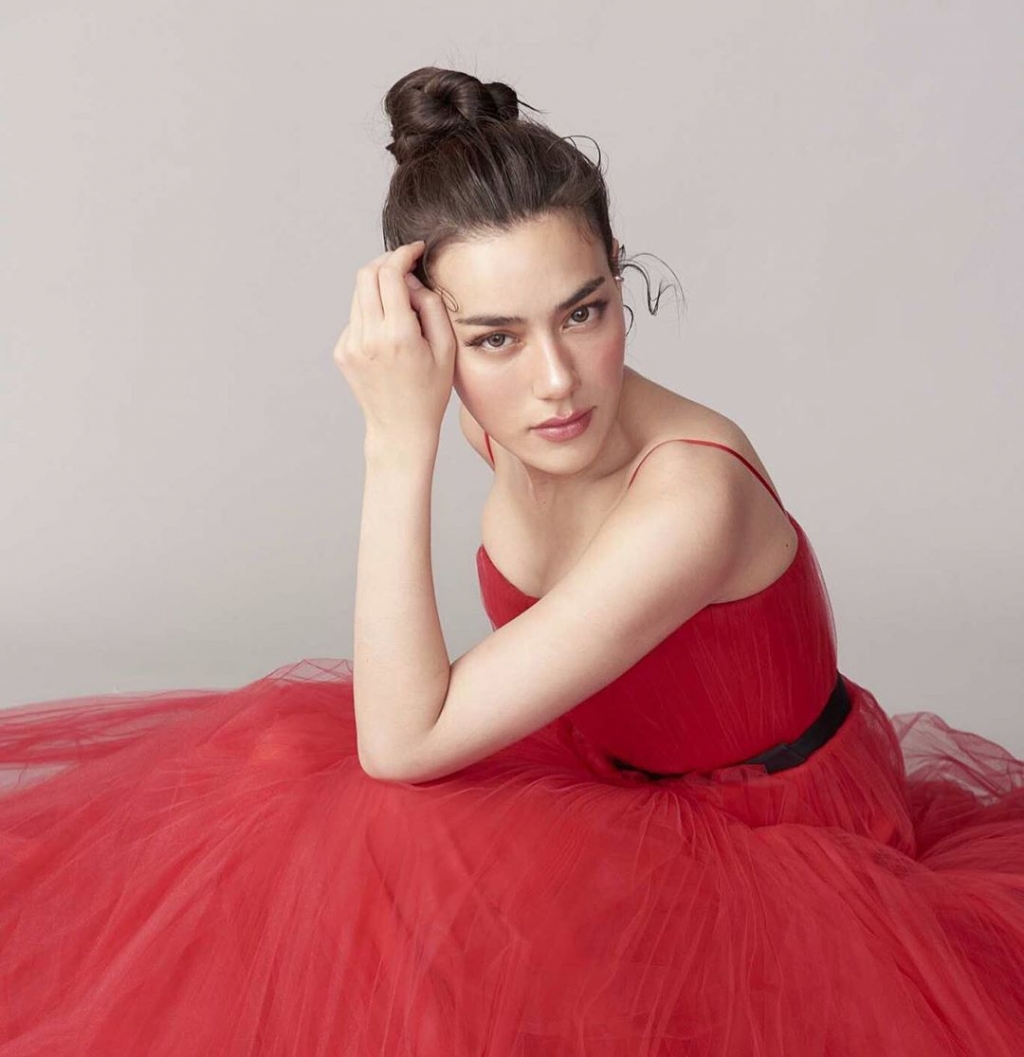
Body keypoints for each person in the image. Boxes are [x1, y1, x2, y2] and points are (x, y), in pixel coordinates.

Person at [1, 64, 1023, 1057]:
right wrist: (421, 416)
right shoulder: (509, 421)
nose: (556, 381)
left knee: (384, 824)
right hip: (599, 781)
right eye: (495, 339)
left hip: (777, 842)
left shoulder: (691, 500)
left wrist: (394, 442)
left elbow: (402, 741)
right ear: (430, 332)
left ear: (619, 277)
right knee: (278, 781)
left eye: (584, 311)